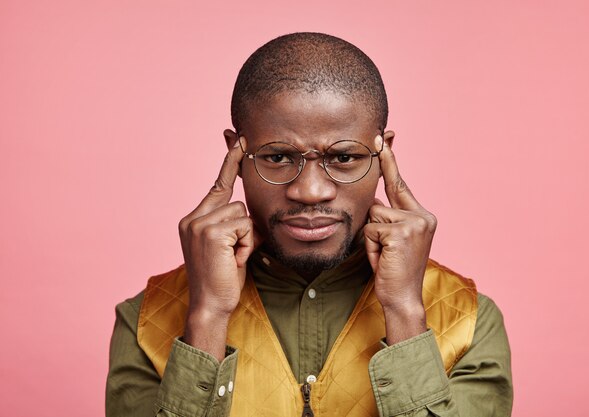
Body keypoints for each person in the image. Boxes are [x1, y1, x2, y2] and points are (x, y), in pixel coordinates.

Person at [106, 32, 513, 417]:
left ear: (384, 156)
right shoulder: (145, 318)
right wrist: (208, 317)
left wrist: (405, 311)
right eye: (279, 157)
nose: (311, 191)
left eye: (343, 158)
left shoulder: (471, 320)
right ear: (236, 155)